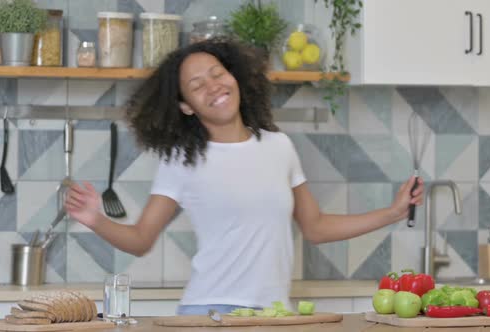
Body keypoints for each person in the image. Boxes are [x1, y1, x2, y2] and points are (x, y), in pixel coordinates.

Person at [64, 38, 424, 316]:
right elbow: (141, 239)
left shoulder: (279, 146)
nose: (213, 86)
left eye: (217, 73)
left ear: (234, 76)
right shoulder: (182, 160)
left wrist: (392, 213)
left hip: (273, 312)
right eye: (196, 84)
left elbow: (315, 227)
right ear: (186, 106)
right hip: (209, 313)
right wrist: (96, 219)